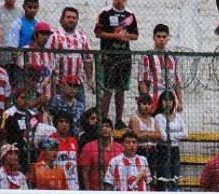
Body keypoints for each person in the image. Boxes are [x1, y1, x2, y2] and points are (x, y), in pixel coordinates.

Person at [94, 0, 138, 130]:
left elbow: (135, 35)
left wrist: (127, 37)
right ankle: (103, 120)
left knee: (121, 90)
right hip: (109, 57)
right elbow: (98, 33)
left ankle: (119, 121)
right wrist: (115, 35)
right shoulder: (105, 12)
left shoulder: (130, 14)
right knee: (107, 90)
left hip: (124, 57)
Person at [47, 7, 94, 103]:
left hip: (77, 83)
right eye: (68, 17)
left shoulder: (82, 37)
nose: (71, 20)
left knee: (80, 112)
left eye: (74, 18)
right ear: (62, 18)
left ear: (77, 20)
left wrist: (89, 80)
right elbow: (47, 58)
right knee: (59, 113)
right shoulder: (54, 35)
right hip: (59, 83)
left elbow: (87, 59)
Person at [138, 24, 183, 112]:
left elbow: (177, 82)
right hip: (154, 98)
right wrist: (146, 103)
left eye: (164, 37)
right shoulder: (147, 56)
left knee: (173, 124)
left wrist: (180, 102)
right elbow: (143, 82)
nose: (161, 39)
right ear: (154, 37)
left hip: (171, 100)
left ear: (168, 38)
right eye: (158, 36)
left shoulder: (173, 57)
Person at [152, 90, 186, 191]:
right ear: (161, 102)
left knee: (175, 177)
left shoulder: (178, 116)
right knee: (164, 176)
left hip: (175, 150)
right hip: (163, 150)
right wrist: (177, 135)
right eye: (165, 100)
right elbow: (163, 137)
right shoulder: (158, 117)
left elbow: (185, 134)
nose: (168, 103)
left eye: (171, 100)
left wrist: (170, 135)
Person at [17, 21, 55, 108]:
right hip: (29, 95)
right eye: (42, 34)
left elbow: (52, 75)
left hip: (46, 97)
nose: (45, 37)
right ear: (35, 35)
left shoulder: (50, 53)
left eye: (47, 34)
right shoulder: (25, 51)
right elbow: (21, 71)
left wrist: (53, 95)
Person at [79, 118, 123, 190]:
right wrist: (88, 192)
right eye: (102, 127)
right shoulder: (89, 147)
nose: (105, 129)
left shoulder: (120, 148)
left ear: (112, 130)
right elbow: (84, 173)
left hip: (116, 192)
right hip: (95, 191)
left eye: (107, 126)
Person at [129, 94, 161, 159]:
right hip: (140, 151)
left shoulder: (153, 119)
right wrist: (152, 135)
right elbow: (137, 136)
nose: (146, 106)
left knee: (153, 169)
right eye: (144, 104)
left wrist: (144, 134)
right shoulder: (135, 119)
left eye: (149, 104)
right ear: (139, 105)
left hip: (153, 151)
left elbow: (159, 136)